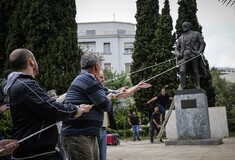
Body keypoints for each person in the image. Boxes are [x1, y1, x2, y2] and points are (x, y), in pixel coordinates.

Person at [3, 48, 92, 159]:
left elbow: (44, 107)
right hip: (37, 154)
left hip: (36, 151)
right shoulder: (25, 85)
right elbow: (53, 109)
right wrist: (77, 109)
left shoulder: (18, 84)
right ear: (31, 61)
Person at [60, 52, 113, 160]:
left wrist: (114, 93)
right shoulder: (89, 79)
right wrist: (109, 98)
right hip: (78, 136)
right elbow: (105, 106)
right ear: (96, 66)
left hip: (82, 135)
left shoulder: (84, 78)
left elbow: (103, 92)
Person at [97, 71, 151, 160]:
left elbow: (122, 94)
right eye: (101, 77)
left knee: (102, 157)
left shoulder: (105, 90)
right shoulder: (95, 91)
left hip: (103, 128)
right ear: (95, 77)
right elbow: (119, 93)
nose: (103, 79)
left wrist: (137, 86)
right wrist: (118, 91)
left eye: (104, 77)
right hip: (94, 129)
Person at [175, 21, 207, 90]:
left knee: (196, 71)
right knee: (182, 71)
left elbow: (202, 43)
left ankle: (197, 85)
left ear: (189, 26)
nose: (183, 28)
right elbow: (176, 48)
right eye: (182, 26)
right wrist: (178, 54)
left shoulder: (196, 34)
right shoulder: (180, 38)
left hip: (193, 55)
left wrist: (200, 51)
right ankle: (182, 85)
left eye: (185, 26)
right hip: (183, 56)